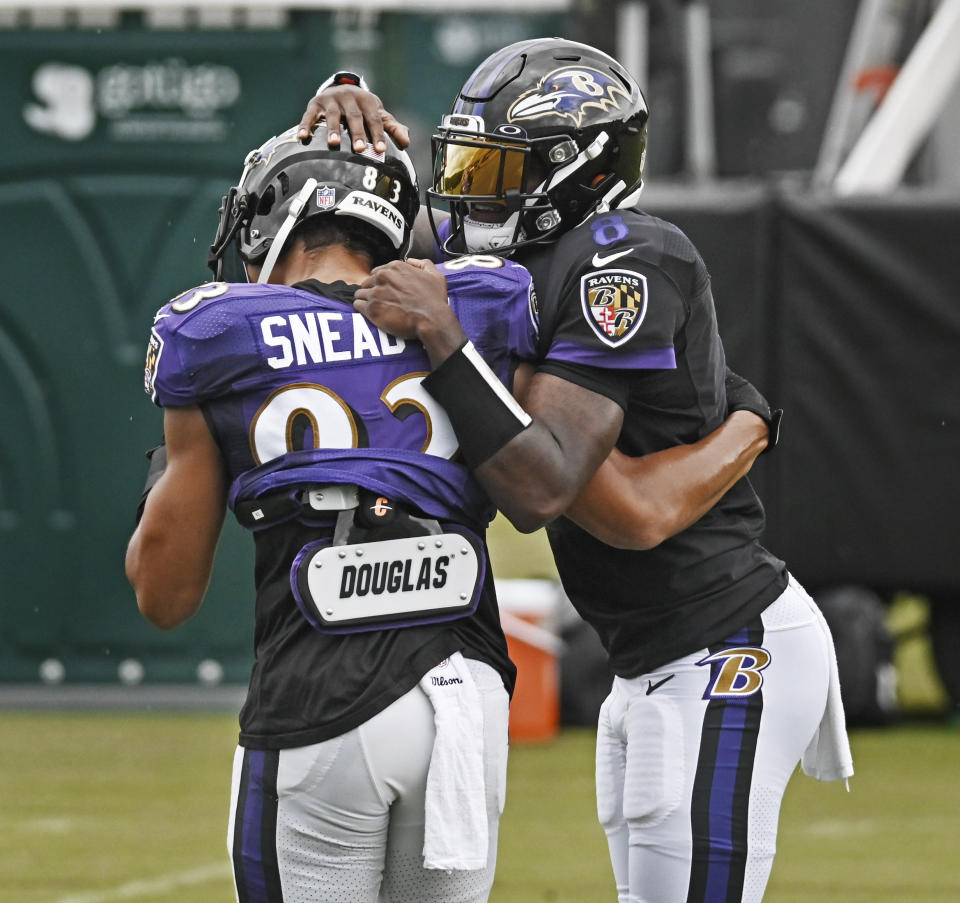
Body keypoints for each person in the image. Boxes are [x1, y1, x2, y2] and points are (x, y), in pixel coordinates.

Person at [125, 116, 773, 903]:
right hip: (462, 701)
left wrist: (174, 464)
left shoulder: (216, 331)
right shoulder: (483, 304)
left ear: (269, 217)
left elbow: (165, 595)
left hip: (315, 694)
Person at [303, 37, 854, 903]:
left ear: (577, 170)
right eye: (467, 162)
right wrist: (346, 116)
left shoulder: (622, 255)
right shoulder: (523, 263)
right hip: (651, 655)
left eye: (496, 167)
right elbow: (370, 256)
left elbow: (551, 490)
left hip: (724, 641)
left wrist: (450, 341)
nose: (468, 190)